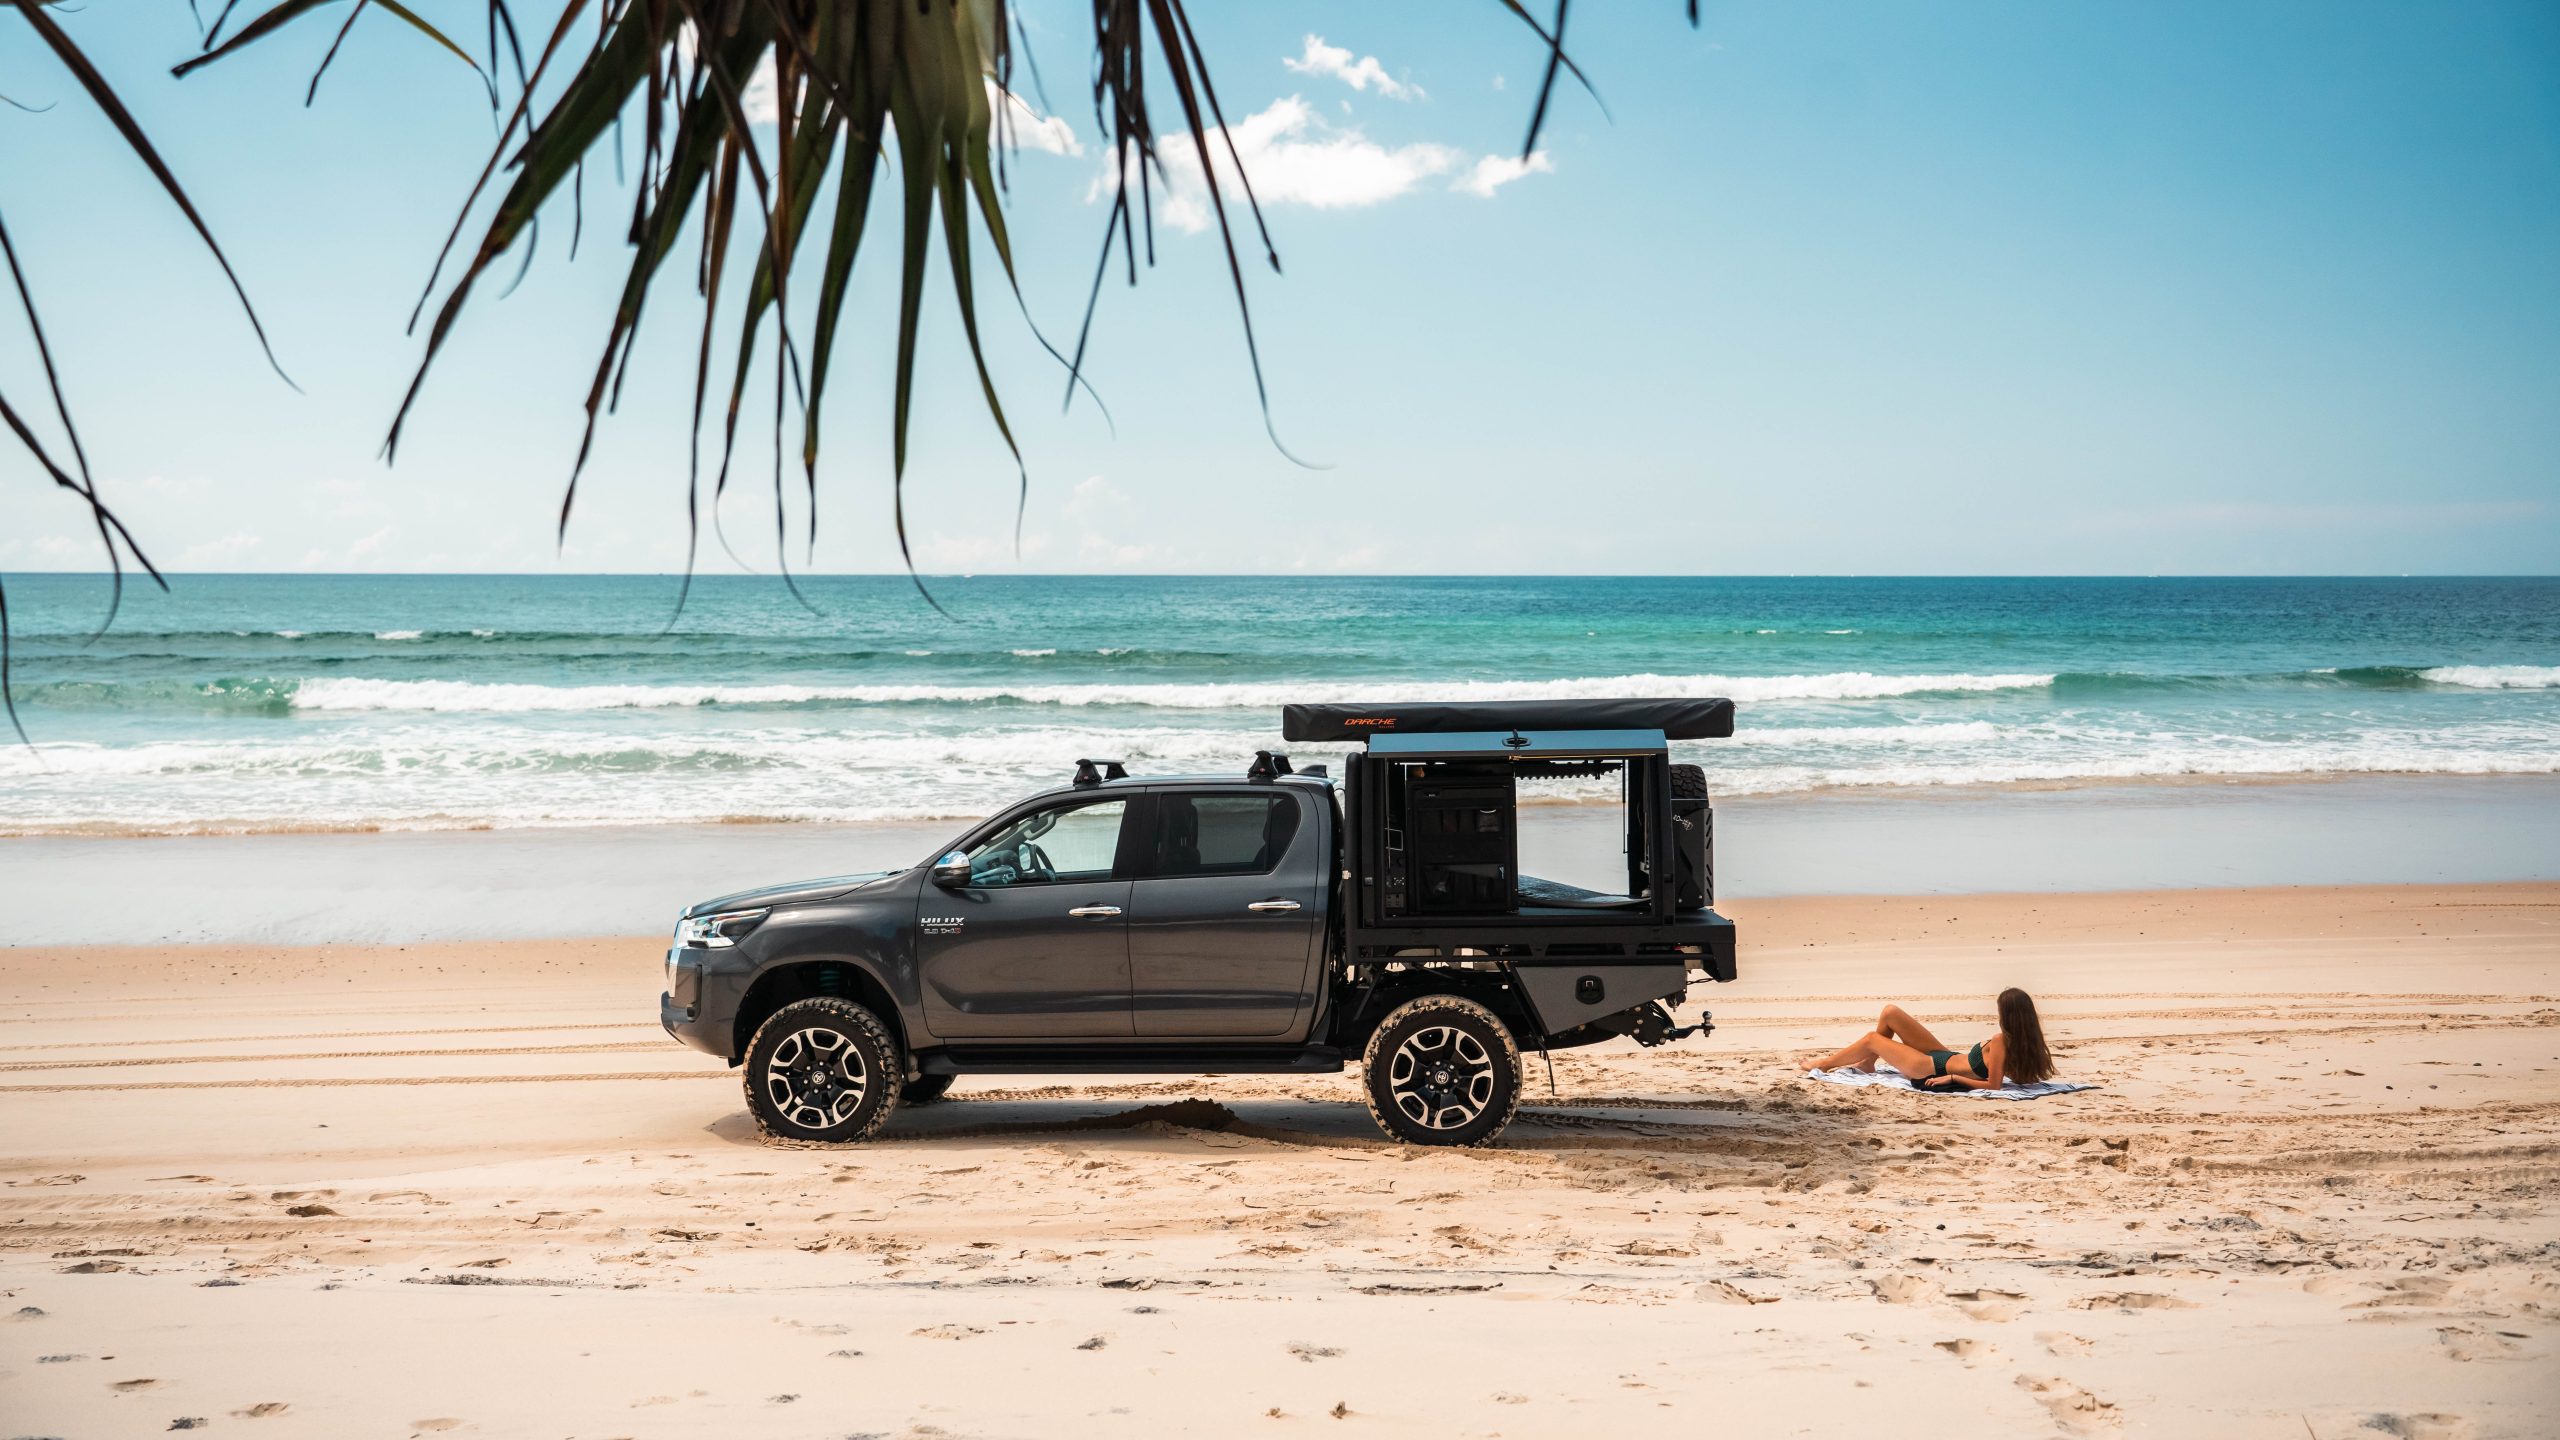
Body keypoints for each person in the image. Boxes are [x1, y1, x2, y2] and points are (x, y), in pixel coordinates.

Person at [1798, 988, 2055, 1090]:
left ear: (2008, 1015)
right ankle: (1867, 1064)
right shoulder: (2024, 1043)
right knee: (1890, 1013)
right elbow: (2021, 1076)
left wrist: (1954, 1078)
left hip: (1930, 1068)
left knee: (1871, 1039)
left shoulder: (2001, 1041)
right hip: (1943, 1055)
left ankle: (1823, 1064)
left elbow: (1994, 1085)